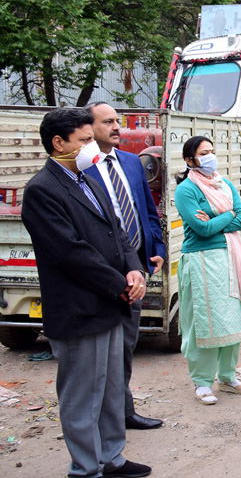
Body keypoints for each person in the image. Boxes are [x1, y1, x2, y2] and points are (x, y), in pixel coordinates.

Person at [21, 107, 151, 478]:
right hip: (81, 309)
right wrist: (119, 284)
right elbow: (70, 253)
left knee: (111, 389)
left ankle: (112, 457)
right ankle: (85, 467)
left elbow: (119, 231)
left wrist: (133, 268)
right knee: (83, 395)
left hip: (111, 302)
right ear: (58, 143)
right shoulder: (42, 190)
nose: (91, 147)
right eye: (84, 140)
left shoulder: (89, 179)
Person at [84, 102, 166, 431]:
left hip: (135, 265)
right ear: (89, 129)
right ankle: (99, 417)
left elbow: (146, 209)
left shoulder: (132, 162)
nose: (117, 127)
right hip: (99, 270)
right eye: (108, 122)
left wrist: (155, 248)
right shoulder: (81, 168)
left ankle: (123, 410)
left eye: (117, 121)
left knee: (127, 344)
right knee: (101, 349)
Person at [174, 136, 241, 405]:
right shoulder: (186, 190)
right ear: (190, 161)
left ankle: (226, 377)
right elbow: (202, 230)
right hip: (201, 261)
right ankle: (201, 382)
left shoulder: (224, 185)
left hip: (230, 258)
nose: (211, 156)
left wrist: (215, 218)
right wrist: (228, 217)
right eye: (204, 153)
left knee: (231, 319)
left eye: (212, 151)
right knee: (205, 322)